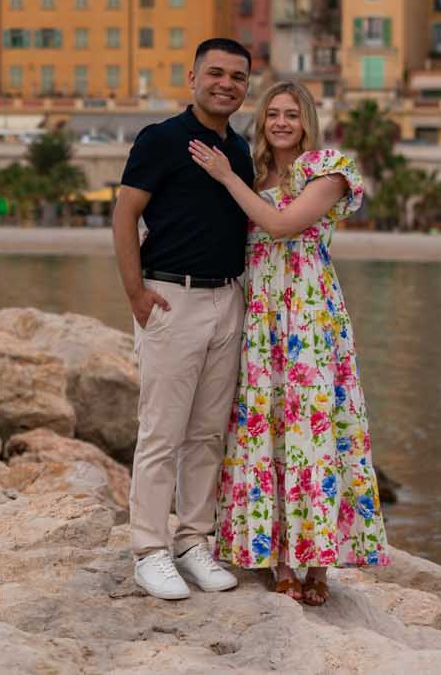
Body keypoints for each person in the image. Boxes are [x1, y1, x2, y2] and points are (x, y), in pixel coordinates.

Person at [188, 79, 387, 607]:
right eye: (273, 113)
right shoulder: (254, 174)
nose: (281, 122)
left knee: (315, 430)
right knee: (266, 427)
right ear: (262, 121)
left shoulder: (327, 169)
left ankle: (318, 564)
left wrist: (226, 177)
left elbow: (280, 225)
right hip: (259, 315)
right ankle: (279, 560)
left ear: (306, 122)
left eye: (291, 115)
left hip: (309, 315)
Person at [110, 37, 254, 601]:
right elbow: (125, 215)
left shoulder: (239, 151)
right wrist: (135, 294)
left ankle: (194, 541)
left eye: (237, 77)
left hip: (227, 300)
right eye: (215, 73)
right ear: (192, 78)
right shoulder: (161, 139)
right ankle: (149, 550)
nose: (226, 84)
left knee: (207, 434)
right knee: (161, 433)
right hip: (172, 297)